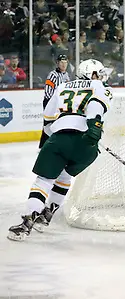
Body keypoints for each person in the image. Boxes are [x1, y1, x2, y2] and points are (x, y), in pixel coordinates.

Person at [7, 59, 113, 241]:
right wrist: (93, 128)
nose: (102, 77)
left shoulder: (63, 86)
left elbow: (48, 119)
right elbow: (97, 105)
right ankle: (47, 215)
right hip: (87, 146)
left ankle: (27, 224)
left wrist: (57, 135)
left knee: (44, 181)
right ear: (92, 74)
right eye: (99, 73)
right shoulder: (99, 86)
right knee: (65, 176)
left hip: (60, 138)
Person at [40, 54, 71, 149]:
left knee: (59, 122)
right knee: (48, 124)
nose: (63, 64)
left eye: (65, 62)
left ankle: (54, 143)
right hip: (50, 102)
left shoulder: (66, 75)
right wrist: (51, 104)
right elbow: (48, 91)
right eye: (61, 62)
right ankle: (44, 145)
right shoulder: (53, 75)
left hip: (60, 103)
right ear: (57, 63)